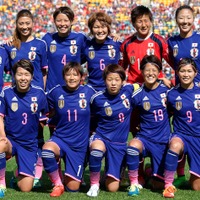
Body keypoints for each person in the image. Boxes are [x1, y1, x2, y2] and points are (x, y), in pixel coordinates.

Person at [119, 5, 172, 186]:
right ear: (133, 23)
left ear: (151, 21)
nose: (143, 24)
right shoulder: (126, 43)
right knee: (137, 132)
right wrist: (125, 85)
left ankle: (157, 169)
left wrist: (166, 79)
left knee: (159, 127)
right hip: (137, 94)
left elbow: (172, 62)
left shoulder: (159, 41)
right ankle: (138, 174)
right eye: (139, 21)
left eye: (146, 20)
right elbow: (122, 68)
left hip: (156, 92)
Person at [3, 9, 48, 187]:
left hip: (35, 96)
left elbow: (44, 72)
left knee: (37, 134)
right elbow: (7, 70)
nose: (24, 26)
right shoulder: (10, 45)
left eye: (27, 23)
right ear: (16, 24)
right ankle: (13, 167)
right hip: (16, 95)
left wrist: (41, 92)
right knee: (13, 131)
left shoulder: (41, 44)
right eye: (21, 23)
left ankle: (34, 171)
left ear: (32, 24)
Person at [42, 62, 96, 197]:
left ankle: (74, 171)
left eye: (75, 74)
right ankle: (58, 184)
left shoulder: (89, 92)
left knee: (73, 189)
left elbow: (100, 110)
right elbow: (45, 109)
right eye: (68, 74)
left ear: (82, 77)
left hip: (78, 145)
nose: (71, 78)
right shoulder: (55, 92)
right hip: (60, 138)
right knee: (47, 151)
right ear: (64, 76)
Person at [86, 64, 139, 197]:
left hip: (119, 144)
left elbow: (139, 86)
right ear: (105, 80)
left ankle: (111, 174)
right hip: (102, 137)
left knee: (112, 188)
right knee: (97, 151)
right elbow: (89, 117)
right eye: (110, 79)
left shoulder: (127, 91)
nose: (113, 83)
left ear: (122, 81)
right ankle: (94, 184)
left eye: (117, 79)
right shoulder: (97, 98)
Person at [0, 59, 48, 198]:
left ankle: (17, 174)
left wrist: (36, 140)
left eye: (26, 74)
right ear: (14, 76)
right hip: (11, 140)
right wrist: (3, 136)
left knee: (26, 188)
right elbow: (0, 117)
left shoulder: (39, 93)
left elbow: (43, 120)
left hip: (28, 144)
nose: (23, 78)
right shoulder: (6, 92)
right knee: (0, 145)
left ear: (32, 77)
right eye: (19, 74)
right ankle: (1, 183)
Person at [126, 55, 171, 196]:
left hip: (162, 140)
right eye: (147, 70)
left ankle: (148, 170)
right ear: (141, 71)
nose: (150, 73)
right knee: (133, 146)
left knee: (157, 185)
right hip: (145, 138)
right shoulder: (137, 94)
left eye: (154, 70)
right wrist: (134, 126)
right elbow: (127, 112)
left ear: (159, 72)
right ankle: (134, 183)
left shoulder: (167, 90)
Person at [167, 5, 200, 187]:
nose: (185, 21)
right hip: (181, 92)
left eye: (188, 17)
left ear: (193, 19)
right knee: (179, 129)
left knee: (197, 188)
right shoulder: (172, 42)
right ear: (176, 20)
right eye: (181, 18)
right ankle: (172, 175)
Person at [163, 58, 200, 198]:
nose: (186, 74)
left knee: (197, 187)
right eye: (182, 71)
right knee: (175, 145)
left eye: (189, 71)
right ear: (177, 73)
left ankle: (190, 177)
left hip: (198, 137)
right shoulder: (171, 94)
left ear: (195, 73)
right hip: (181, 135)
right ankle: (168, 185)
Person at [83, 11, 122, 91]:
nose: (100, 30)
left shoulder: (116, 43)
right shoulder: (86, 45)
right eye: (96, 27)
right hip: (93, 89)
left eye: (103, 26)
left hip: (112, 90)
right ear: (91, 29)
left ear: (108, 28)